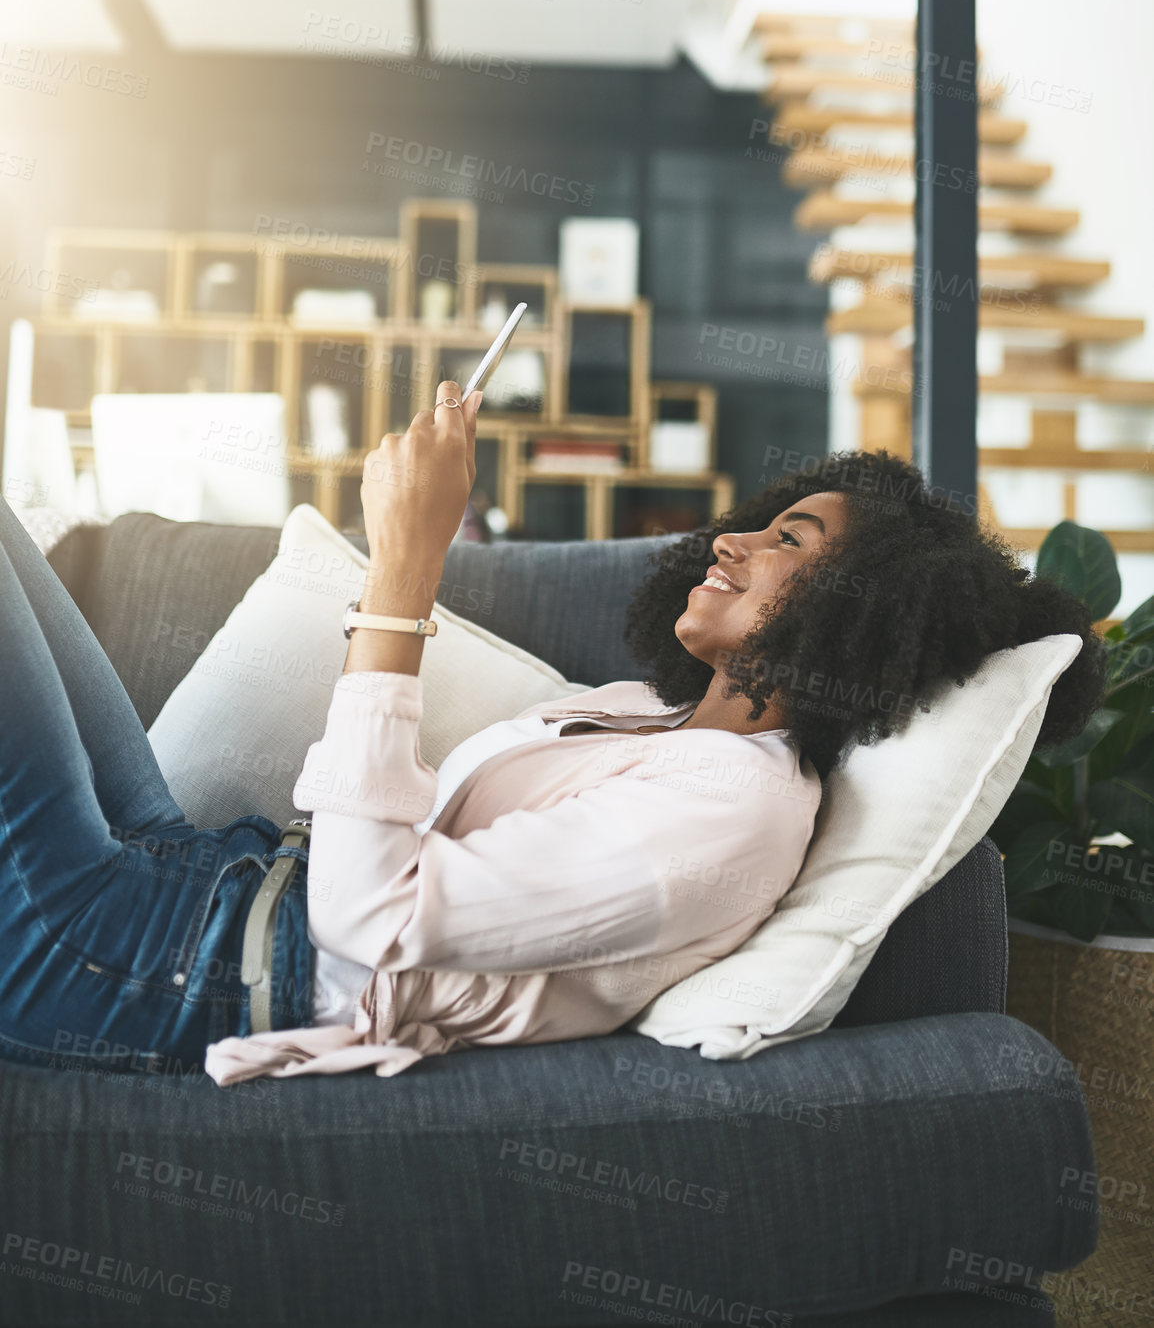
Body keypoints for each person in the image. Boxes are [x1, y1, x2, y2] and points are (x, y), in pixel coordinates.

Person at [0, 383, 1102, 1087]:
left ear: (858, 613)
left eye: (784, 541)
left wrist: (404, 570)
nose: (728, 540)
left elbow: (365, 911)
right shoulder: (640, 712)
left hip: (144, 962)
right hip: (190, 873)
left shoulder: (737, 813)